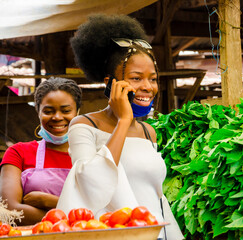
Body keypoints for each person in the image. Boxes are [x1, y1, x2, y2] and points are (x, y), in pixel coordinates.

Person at [56, 14, 183, 239]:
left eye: (152, 79)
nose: (147, 87)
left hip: (156, 233)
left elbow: (157, 198)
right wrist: (124, 121)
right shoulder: (84, 126)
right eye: (136, 78)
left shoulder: (148, 132)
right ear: (110, 83)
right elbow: (90, 184)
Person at [0, 77, 82, 225]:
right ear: (38, 111)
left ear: (77, 112)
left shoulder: (92, 154)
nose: (57, 117)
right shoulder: (18, 152)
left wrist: (48, 201)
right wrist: (76, 215)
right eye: (48, 111)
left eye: (66, 110)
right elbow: (9, 211)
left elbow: (103, 208)